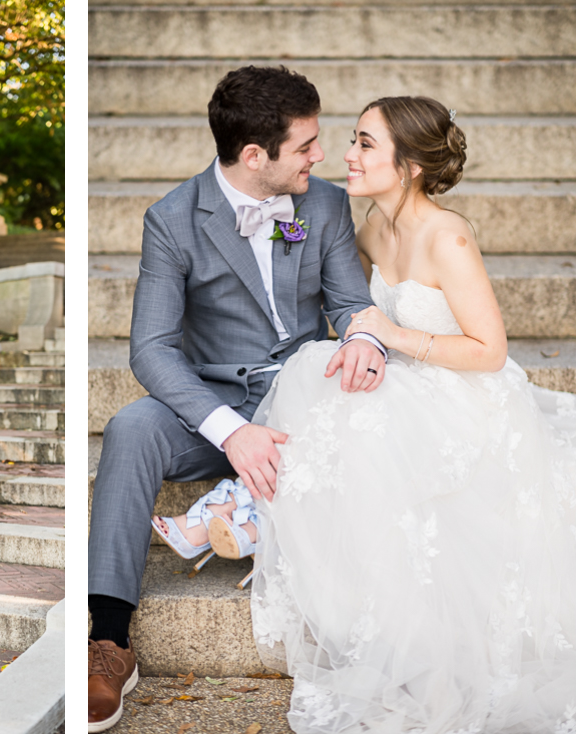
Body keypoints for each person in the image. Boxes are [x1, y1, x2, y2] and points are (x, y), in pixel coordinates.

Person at [164, 97, 576, 732]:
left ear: (408, 166)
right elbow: (339, 298)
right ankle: (245, 506)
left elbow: (489, 352)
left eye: (363, 144)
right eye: (350, 140)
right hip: (405, 382)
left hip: (466, 397)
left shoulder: (449, 236)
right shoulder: (370, 229)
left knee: (359, 413)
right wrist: (356, 334)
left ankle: (243, 509)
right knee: (319, 371)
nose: (343, 156)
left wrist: (392, 337)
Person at [87, 65, 389, 732]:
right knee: (131, 428)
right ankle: (108, 638)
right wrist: (230, 430)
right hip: (217, 398)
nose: (322, 155)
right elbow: (152, 349)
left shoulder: (325, 204)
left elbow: (350, 303)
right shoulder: (171, 220)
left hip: (309, 391)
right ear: (256, 156)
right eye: (306, 145)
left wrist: (367, 338)